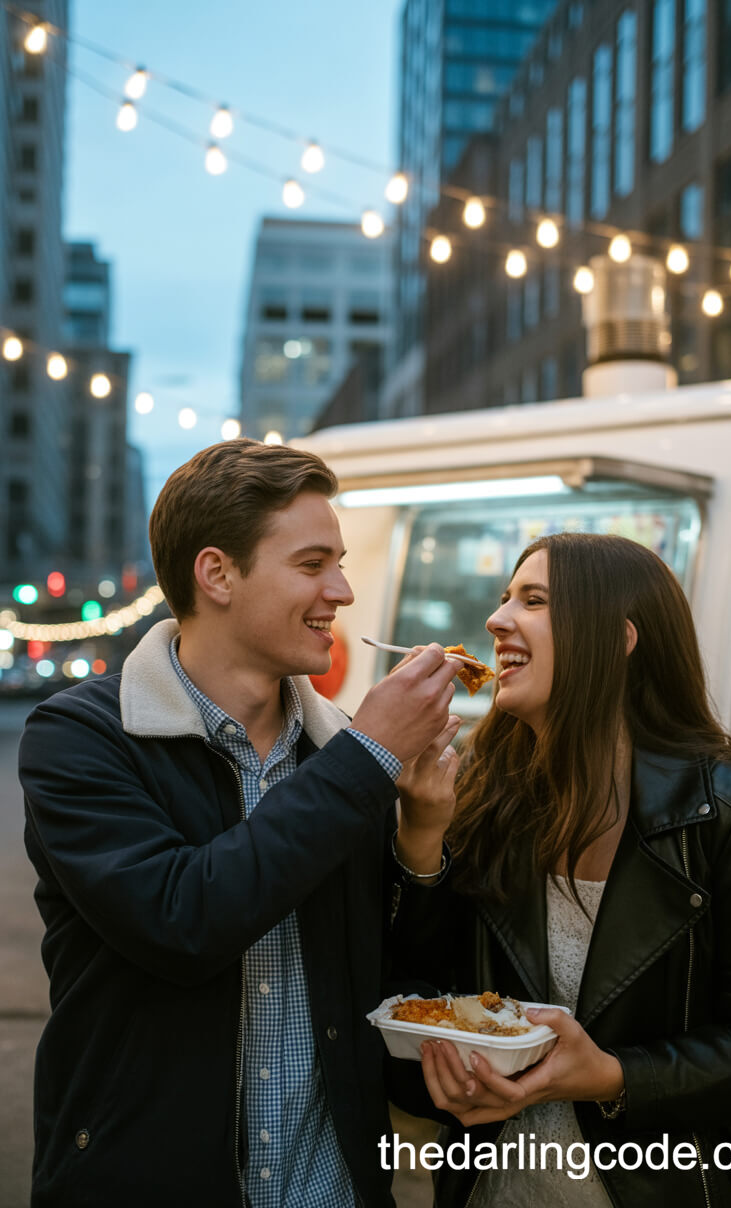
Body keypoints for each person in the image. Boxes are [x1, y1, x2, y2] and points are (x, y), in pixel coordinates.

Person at [19, 438, 463, 1208]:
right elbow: (182, 920)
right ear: (217, 573)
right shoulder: (81, 736)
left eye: (340, 562)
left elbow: (393, 984)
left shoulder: (340, 752)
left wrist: (421, 840)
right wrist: (368, 756)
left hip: (333, 1188)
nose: (344, 590)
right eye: (313, 563)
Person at [391, 532, 731, 1207]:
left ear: (619, 639)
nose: (496, 619)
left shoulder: (726, 808)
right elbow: (419, 993)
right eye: (505, 598)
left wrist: (614, 1077)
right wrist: (419, 839)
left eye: (533, 601)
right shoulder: (476, 791)